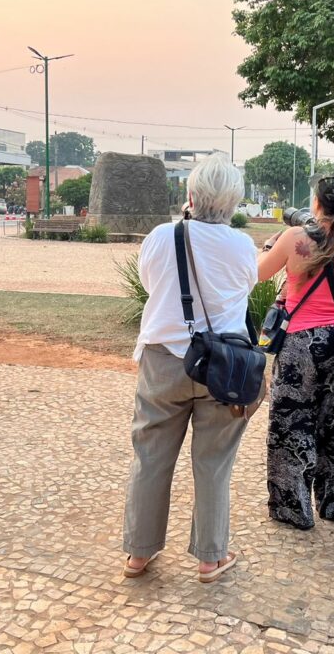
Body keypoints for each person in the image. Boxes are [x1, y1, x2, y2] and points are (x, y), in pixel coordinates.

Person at [122, 153, 256, 583]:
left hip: (164, 359)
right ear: (234, 202)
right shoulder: (242, 245)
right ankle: (210, 557)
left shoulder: (162, 237)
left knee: (151, 456)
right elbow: (243, 290)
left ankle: (138, 554)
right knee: (214, 462)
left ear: (190, 195)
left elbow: (150, 284)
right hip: (225, 366)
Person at [258, 175, 334, 529]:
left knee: (291, 422)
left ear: (316, 203)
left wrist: (268, 248)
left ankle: (294, 506)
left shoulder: (294, 239)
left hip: (299, 344)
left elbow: (258, 274)